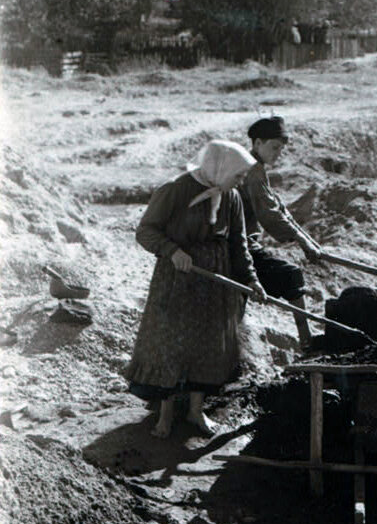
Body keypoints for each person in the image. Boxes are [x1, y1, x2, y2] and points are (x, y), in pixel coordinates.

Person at [125, 140, 267, 438]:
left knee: (208, 346)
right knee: (173, 342)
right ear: (220, 167)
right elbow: (145, 230)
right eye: (238, 175)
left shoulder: (232, 197)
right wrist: (172, 250)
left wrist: (252, 280)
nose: (240, 181)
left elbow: (238, 244)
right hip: (178, 278)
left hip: (215, 283)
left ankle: (195, 411)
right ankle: (164, 416)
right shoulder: (175, 189)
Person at [240, 116, 324, 349]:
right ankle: (306, 341)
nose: (278, 153)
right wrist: (303, 242)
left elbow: (278, 207)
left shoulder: (256, 168)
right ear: (257, 143)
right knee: (291, 276)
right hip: (238, 244)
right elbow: (270, 215)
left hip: (244, 240)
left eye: (281, 149)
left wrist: (305, 239)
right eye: (274, 147)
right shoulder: (251, 171)